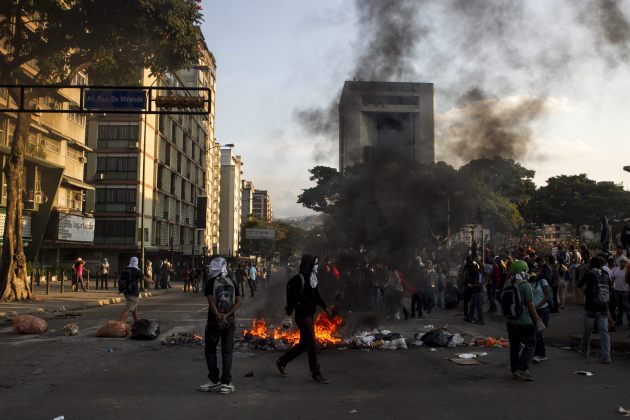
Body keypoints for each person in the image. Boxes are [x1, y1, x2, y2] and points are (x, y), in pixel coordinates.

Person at [277, 255, 331, 384]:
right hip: (302, 316)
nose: (317, 266)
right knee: (312, 344)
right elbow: (292, 299)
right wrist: (288, 314)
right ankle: (316, 373)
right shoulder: (298, 279)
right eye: (315, 264)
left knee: (303, 344)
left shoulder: (313, 279)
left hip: (310, 315)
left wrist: (325, 307)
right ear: (309, 264)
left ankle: (282, 361)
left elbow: (317, 296)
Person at [199, 257, 242, 394]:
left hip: (214, 321)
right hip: (229, 321)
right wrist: (227, 314)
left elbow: (211, 302)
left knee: (211, 350)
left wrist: (218, 315)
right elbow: (239, 301)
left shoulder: (211, 282)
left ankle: (214, 380)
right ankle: (226, 383)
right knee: (227, 351)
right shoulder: (232, 281)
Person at [503, 260, 545, 381]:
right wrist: (538, 320)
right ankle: (522, 368)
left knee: (515, 346)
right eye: (525, 270)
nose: (527, 272)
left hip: (510, 321)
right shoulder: (525, 285)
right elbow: (530, 305)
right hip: (524, 321)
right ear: (522, 272)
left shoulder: (507, 283)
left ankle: (515, 369)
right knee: (531, 344)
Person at [577, 256, 613, 363]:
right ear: (602, 265)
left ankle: (584, 351)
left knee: (588, 331)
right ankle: (606, 356)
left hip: (590, 307)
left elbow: (578, 285)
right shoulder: (606, 275)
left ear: (591, 264)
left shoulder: (589, 275)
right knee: (604, 331)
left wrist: (584, 293)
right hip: (603, 307)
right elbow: (610, 290)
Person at [531, 264, 551, 363]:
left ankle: (539, 354)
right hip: (532, 310)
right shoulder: (529, 282)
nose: (533, 273)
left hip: (542, 309)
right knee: (534, 333)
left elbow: (547, 296)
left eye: (535, 271)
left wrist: (537, 306)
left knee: (538, 332)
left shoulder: (543, 281)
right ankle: (537, 353)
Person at [118, 256, 147, 322]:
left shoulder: (125, 269)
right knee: (128, 309)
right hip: (133, 293)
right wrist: (150, 281)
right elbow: (145, 279)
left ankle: (137, 322)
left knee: (134, 308)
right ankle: (119, 324)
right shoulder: (136, 270)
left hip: (126, 292)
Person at [611, 256, 630, 327]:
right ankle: (619, 321)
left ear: (626, 263)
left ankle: (629, 321)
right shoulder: (615, 269)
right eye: (621, 262)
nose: (622, 263)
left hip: (625, 291)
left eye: (624, 262)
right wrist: (611, 288)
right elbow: (613, 279)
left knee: (627, 307)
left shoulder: (627, 270)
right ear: (619, 262)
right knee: (619, 307)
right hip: (616, 290)